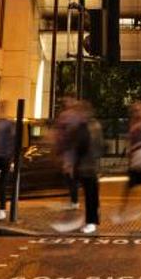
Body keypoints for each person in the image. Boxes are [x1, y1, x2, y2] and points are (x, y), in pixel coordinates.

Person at [51, 99, 100, 234]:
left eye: (79, 111)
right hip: (87, 165)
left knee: (90, 195)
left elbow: (79, 146)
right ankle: (90, 220)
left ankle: (90, 222)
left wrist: (72, 161)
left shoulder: (85, 127)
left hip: (86, 165)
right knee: (90, 194)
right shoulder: (90, 125)